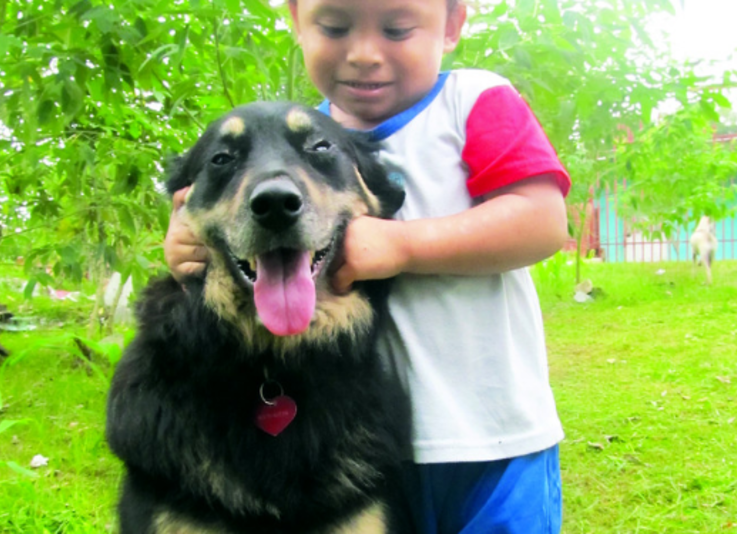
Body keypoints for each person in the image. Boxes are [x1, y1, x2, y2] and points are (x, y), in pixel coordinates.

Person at [165, 1, 571, 532]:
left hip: (497, 432)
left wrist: (402, 246)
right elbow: (211, 204)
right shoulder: (299, 137)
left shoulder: (471, 100)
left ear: (451, 25)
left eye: (397, 28)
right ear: (296, 23)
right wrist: (184, 244)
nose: (363, 54)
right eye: (334, 27)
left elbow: (543, 220)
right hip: (371, 440)